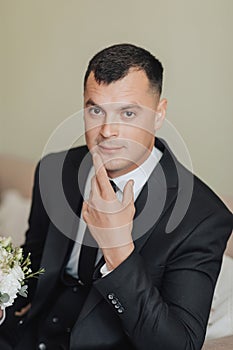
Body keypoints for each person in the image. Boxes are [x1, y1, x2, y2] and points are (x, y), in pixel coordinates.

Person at [0, 43, 232, 350]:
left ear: (159, 114)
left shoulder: (202, 218)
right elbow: (35, 264)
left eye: (128, 113)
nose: (107, 131)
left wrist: (117, 248)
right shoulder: (54, 170)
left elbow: (178, 344)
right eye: (95, 110)